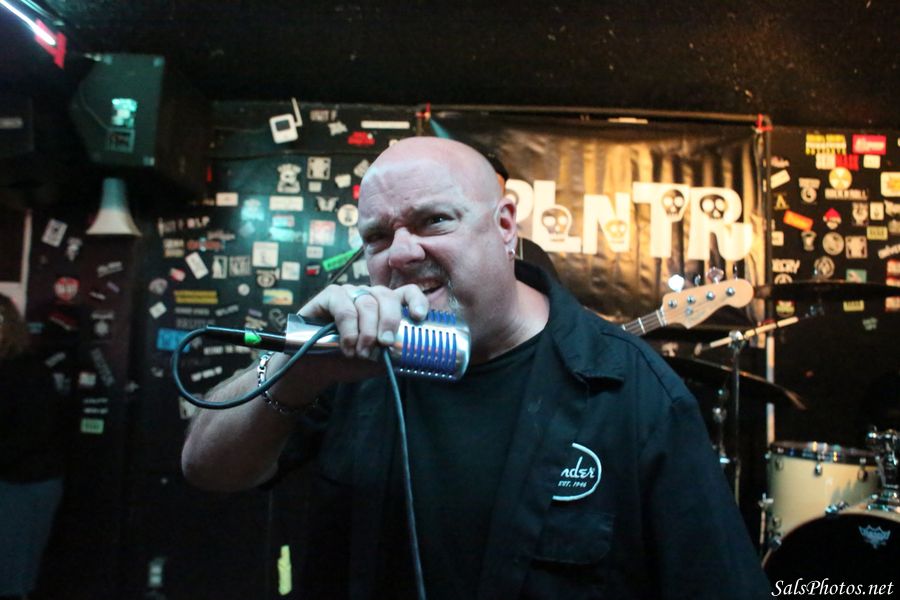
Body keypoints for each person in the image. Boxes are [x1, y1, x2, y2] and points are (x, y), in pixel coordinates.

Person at [182, 137, 771, 599]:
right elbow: (206, 468)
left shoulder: (635, 391)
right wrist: (296, 367)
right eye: (378, 236)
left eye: (434, 221)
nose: (402, 253)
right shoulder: (346, 361)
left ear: (506, 225)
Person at [0, 294, 64, 600]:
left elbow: (33, 432)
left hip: (24, 483)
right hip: (18, 479)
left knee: (12, 579)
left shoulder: (27, 370)